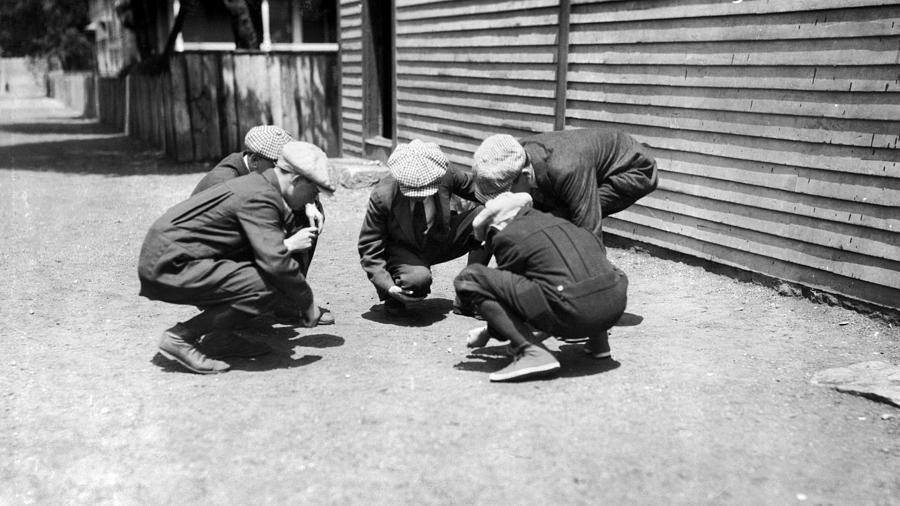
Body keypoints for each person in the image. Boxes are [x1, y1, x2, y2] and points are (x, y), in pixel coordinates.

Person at [138, 142, 336, 374]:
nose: (311, 199)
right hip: (171, 263)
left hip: (177, 255)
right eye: (313, 192)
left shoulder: (261, 185)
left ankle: (220, 337)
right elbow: (275, 261)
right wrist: (306, 301)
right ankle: (180, 337)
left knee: (262, 276)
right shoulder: (262, 197)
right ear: (295, 181)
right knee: (267, 285)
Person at [454, 192, 628, 382]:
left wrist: (492, 331)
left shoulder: (509, 236)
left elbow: (511, 299)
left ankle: (533, 352)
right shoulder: (566, 224)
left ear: (497, 226)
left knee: (471, 278)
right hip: (615, 306)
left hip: (575, 312)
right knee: (582, 271)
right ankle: (599, 342)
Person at [358, 139, 488, 317]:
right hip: (403, 251)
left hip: (440, 239)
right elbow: (369, 248)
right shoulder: (383, 195)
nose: (419, 196)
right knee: (417, 282)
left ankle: (469, 293)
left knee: (489, 216)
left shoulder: (444, 172)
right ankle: (397, 295)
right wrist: (388, 287)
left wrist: (513, 202)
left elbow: (480, 188)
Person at [471, 128, 658, 239]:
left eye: (507, 192)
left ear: (525, 175)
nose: (504, 199)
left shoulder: (565, 168)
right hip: (581, 165)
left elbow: (589, 230)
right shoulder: (511, 156)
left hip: (631, 169)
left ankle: (604, 283)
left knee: (568, 221)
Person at [192, 125, 325, 278]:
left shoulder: (256, 168)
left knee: (303, 212)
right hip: (206, 264)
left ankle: (290, 288)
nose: (287, 173)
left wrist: (310, 203)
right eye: (280, 166)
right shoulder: (224, 184)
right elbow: (231, 245)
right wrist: (288, 245)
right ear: (255, 160)